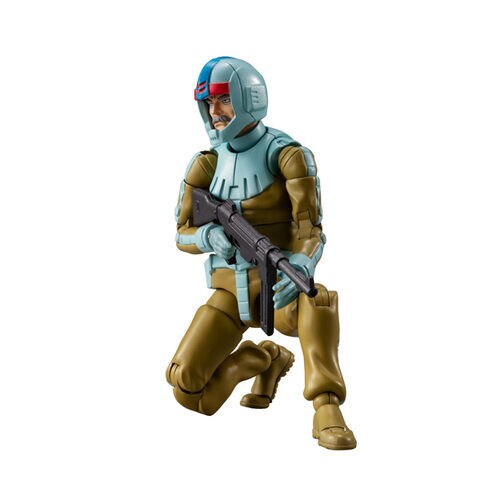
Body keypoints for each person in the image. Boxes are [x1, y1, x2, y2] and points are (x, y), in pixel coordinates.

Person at [166, 57, 356, 450]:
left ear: (247, 99)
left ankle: (327, 406)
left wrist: (301, 261)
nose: (215, 112)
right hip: (229, 295)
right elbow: (181, 234)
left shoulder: (287, 156)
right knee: (185, 385)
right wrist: (208, 236)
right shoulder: (205, 166)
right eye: (208, 103)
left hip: (279, 290)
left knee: (318, 300)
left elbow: (311, 231)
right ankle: (260, 360)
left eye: (223, 100)